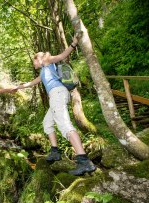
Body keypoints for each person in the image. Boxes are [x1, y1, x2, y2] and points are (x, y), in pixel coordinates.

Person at [15, 36, 96, 176]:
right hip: (56, 97)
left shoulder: (47, 61)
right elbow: (31, 83)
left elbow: (63, 55)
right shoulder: (43, 72)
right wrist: (17, 87)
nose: (33, 64)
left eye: (33, 61)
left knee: (65, 125)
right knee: (47, 123)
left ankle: (84, 161)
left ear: (38, 59)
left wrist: (74, 43)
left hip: (58, 94)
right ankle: (55, 152)